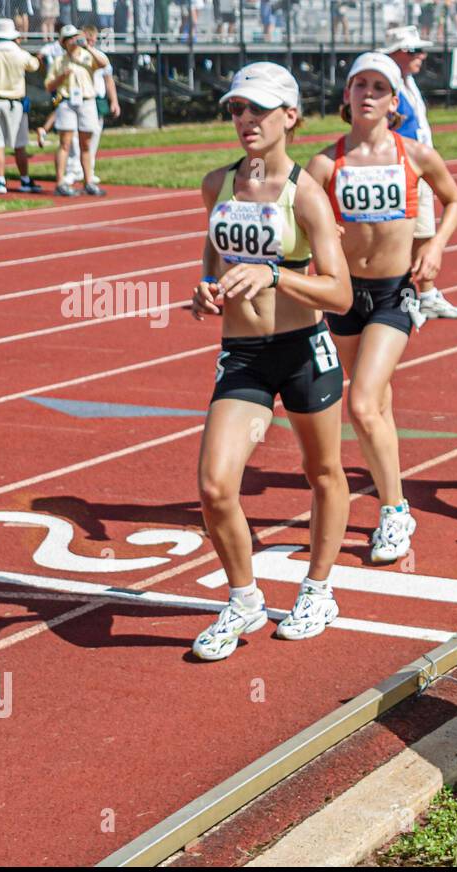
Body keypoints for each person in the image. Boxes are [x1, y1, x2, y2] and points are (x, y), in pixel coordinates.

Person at [190, 62, 353, 661]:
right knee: (213, 485)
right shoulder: (218, 184)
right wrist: (205, 291)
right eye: (236, 109)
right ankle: (244, 598)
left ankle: (318, 589)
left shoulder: (305, 194)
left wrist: (277, 273)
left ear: (290, 117)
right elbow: (212, 258)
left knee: (324, 473)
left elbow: (340, 292)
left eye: (258, 109)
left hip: (304, 350)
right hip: (243, 356)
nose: (245, 121)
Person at [304, 53, 457, 564]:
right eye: (359, 86)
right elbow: (302, 223)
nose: (368, 94)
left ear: (394, 101)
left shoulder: (413, 155)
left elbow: (455, 200)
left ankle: (394, 510)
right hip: (345, 296)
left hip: (396, 294)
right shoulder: (326, 164)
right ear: (346, 97)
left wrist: (435, 246)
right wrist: (322, 236)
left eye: (379, 87)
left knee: (363, 404)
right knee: (378, 406)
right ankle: (390, 489)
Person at [381, 25, 457, 321]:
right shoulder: (386, 83)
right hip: (402, 168)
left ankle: (426, 294)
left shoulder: (407, 81)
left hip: (420, 167)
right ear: (399, 53)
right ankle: (403, 298)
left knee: (424, 231)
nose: (422, 55)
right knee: (403, 234)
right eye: (415, 50)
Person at [0, 18, 43, 195]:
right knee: (20, 145)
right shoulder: (19, 53)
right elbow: (34, 65)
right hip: (15, 104)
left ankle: (0, 181)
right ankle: (25, 180)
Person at [44, 24, 108, 195]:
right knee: (65, 142)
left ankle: (88, 181)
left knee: (86, 143)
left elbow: (104, 64)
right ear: (64, 42)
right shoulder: (59, 61)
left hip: (87, 100)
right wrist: (61, 77)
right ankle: (60, 183)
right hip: (67, 101)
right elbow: (48, 85)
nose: (74, 40)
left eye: (75, 36)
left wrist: (87, 47)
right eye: (70, 38)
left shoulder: (88, 56)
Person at [82, 25, 118, 183]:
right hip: (83, 98)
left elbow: (109, 80)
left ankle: (90, 168)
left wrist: (114, 101)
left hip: (98, 98)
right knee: (80, 137)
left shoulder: (101, 56)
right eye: (87, 39)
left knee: (95, 133)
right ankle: (75, 169)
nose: (90, 43)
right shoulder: (78, 56)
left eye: (92, 40)